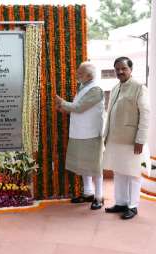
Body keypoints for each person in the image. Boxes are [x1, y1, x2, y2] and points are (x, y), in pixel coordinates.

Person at [103, 57, 150, 220]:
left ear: (131, 69)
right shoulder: (116, 88)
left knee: (132, 173)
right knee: (119, 172)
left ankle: (132, 206)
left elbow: (145, 115)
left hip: (131, 141)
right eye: (117, 69)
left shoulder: (138, 88)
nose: (120, 72)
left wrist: (140, 139)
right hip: (115, 139)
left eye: (123, 68)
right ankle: (121, 203)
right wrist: (105, 135)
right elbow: (109, 114)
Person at [56, 62, 105, 210]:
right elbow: (78, 108)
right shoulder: (84, 87)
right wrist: (64, 108)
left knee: (95, 166)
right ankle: (88, 193)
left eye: (80, 73)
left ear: (89, 75)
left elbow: (79, 107)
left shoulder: (96, 89)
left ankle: (99, 197)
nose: (77, 75)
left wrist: (62, 102)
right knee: (84, 165)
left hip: (91, 133)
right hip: (80, 132)